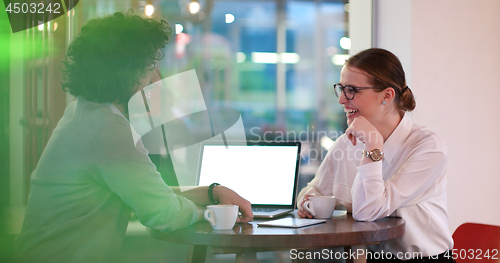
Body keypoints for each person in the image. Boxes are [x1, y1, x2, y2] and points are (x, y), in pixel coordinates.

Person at [13, 11, 253, 263]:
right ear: (126, 73)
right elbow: (162, 213)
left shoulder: (86, 113)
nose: (157, 79)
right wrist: (212, 213)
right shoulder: (107, 130)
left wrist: (212, 192)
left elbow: (150, 194)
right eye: (150, 67)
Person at [297, 48, 455, 262]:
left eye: (352, 90)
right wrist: (307, 203)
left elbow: (368, 210)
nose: (342, 100)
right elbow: (313, 190)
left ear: (387, 96)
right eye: (341, 89)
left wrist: (373, 143)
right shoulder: (346, 143)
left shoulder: (428, 147)